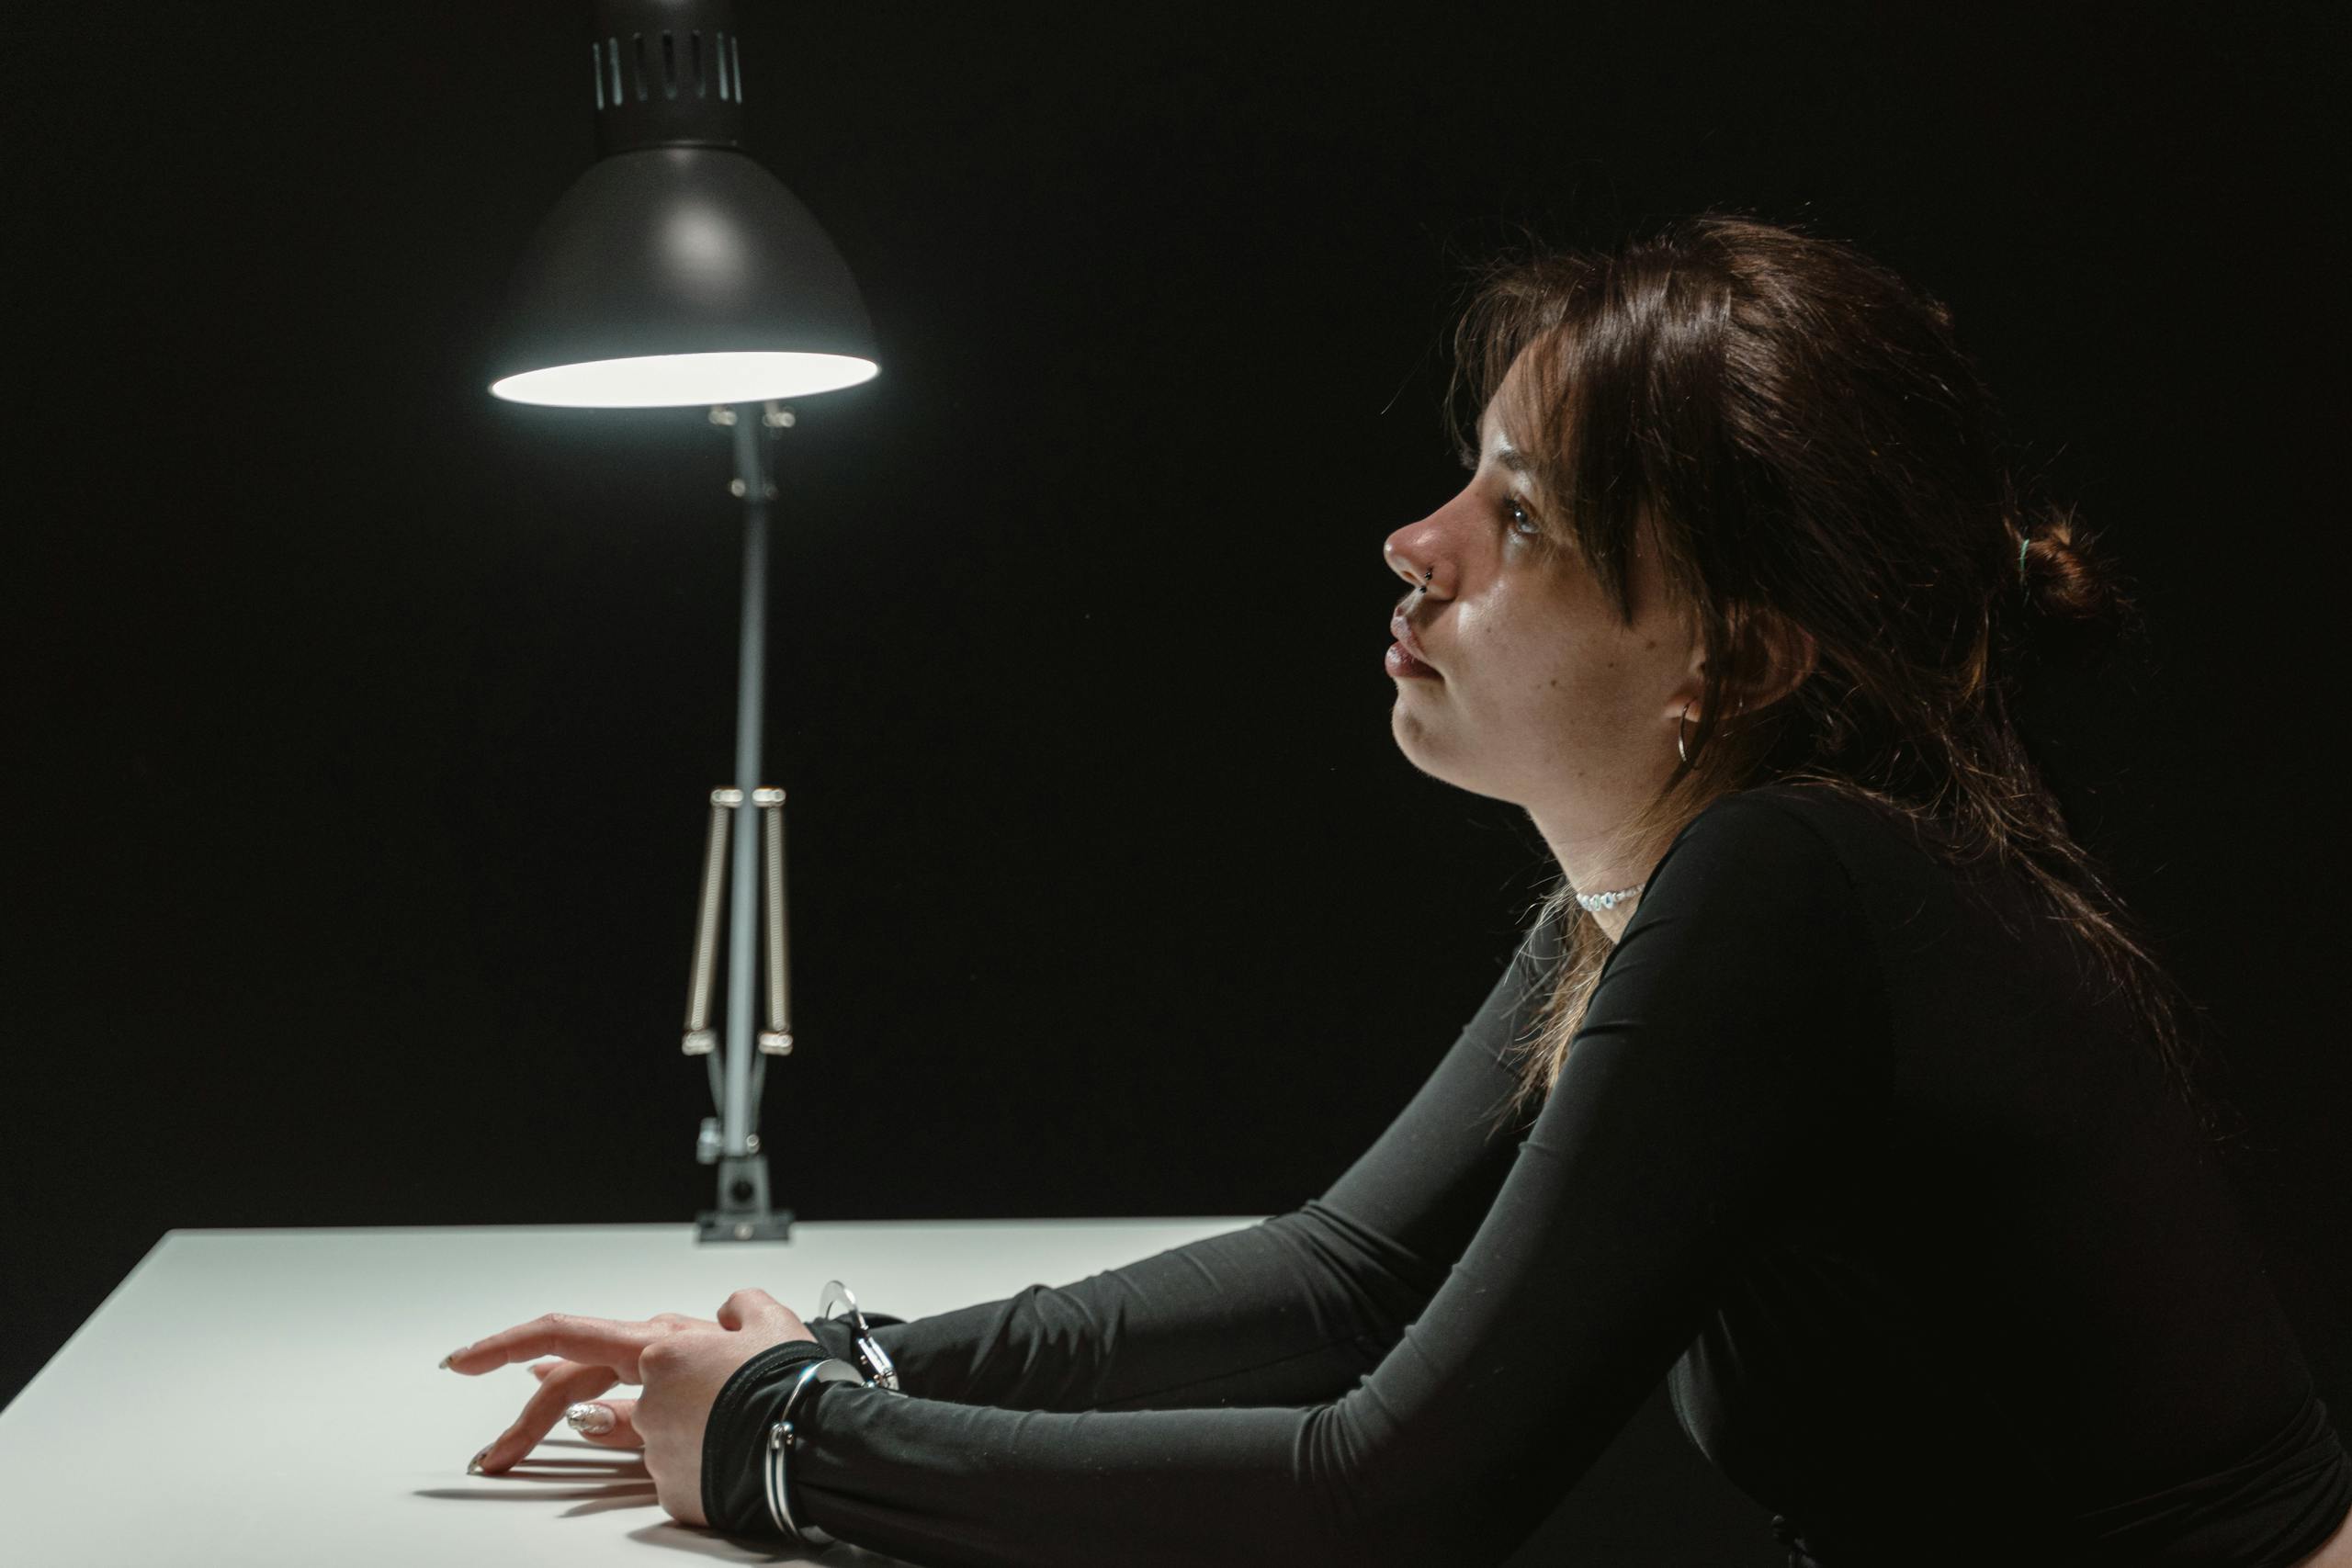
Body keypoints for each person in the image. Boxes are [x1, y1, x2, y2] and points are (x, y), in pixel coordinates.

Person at [445, 211, 2352, 1567]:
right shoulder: (1699, 872)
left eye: (1516, 517)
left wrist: (786, 1447)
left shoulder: (1800, 884)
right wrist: (830, 1358)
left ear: (1738, 658)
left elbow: (1388, 1492)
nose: (1414, 543)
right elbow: (1336, 1276)